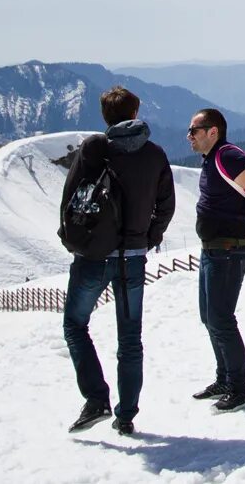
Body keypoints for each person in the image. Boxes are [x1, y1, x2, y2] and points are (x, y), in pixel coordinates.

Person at [60, 87, 176, 436]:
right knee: (130, 338)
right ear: (136, 112)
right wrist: (148, 238)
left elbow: (71, 198)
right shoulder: (154, 154)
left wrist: (74, 239)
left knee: (75, 325)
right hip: (133, 259)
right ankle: (126, 416)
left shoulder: (95, 149)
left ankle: (96, 398)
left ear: (105, 116)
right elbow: (166, 205)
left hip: (93, 256)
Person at [188, 109, 245, 412]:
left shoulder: (228, 155)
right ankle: (224, 378)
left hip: (228, 249)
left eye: (194, 130)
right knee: (209, 317)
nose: (189, 136)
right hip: (214, 249)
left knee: (221, 318)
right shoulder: (213, 158)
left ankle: (239, 387)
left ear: (213, 131)